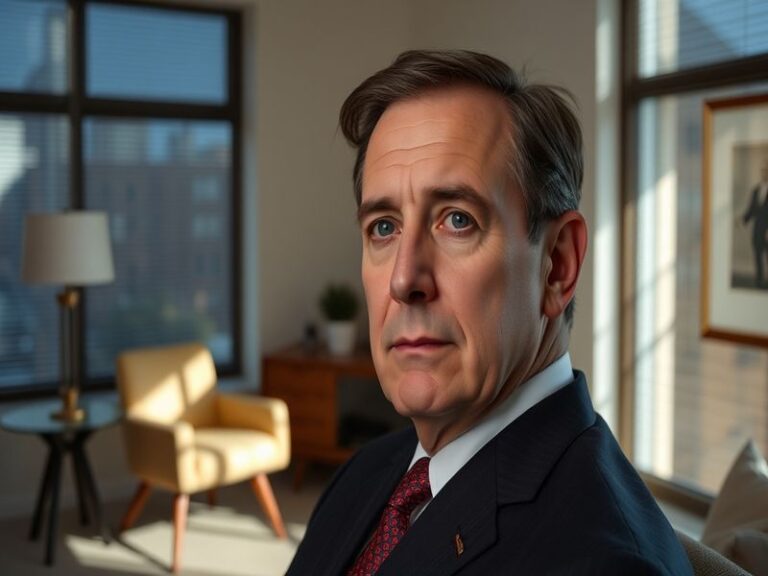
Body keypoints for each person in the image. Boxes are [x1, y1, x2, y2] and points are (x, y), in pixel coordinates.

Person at [287, 50, 692, 575]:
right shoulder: (369, 469)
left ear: (557, 266)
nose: (404, 279)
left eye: (457, 219)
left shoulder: (606, 562)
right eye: (383, 227)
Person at [742, 163, 768, 289]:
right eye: (763, 171)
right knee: (758, 256)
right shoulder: (756, 190)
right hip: (758, 229)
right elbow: (752, 209)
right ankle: (759, 281)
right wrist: (743, 219)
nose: (765, 174)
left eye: (767, 171)